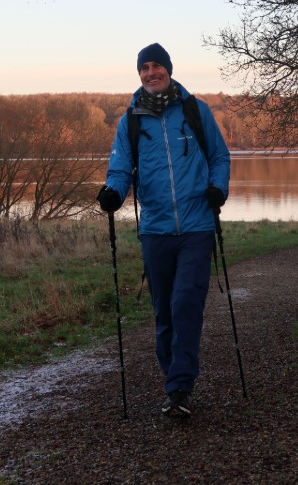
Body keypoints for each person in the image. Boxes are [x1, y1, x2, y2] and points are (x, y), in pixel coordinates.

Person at [97, 43, 231, 418]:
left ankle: (179, 388)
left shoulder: (195, 111)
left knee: (185, 302)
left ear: (169, 70)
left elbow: (219, 157)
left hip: (196, 225)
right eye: (145, 68)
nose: (150, 72)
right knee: (165, 313)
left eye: (157, 66)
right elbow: (120, 169)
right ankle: (174, 379)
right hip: (155, 230)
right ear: (140, 73)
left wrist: (217, 188)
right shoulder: (130, 121)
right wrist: (113, 193)